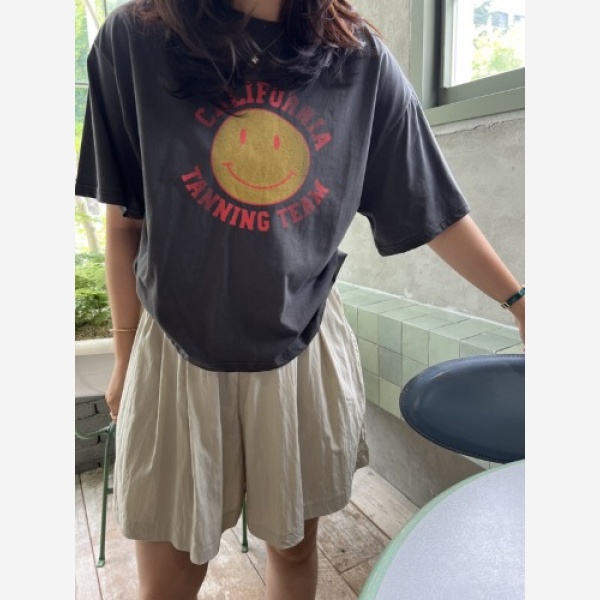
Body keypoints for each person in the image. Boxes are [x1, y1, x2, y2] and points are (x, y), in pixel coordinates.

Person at [75, 0, 526, 598]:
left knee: (294, 547)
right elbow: (125, 223)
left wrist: (520, 302)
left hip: (301, 343)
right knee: (172, 568)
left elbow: (433, 205)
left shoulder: (357, 58)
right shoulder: (135, 37)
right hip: (177, 346)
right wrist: (126, 355)